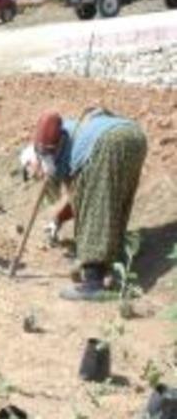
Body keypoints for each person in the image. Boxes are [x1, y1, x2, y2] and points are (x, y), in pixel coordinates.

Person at [27, 109, 147, 301]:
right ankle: (114, 261)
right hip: (134, 136)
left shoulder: (71, 149)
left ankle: (94, 281)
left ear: (58, 144)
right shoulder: (68, 130)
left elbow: (80, 201)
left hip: (109, 142)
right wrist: (58, 220)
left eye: (49, 153)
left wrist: (57, 219)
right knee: (115, 200)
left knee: (95, 207)